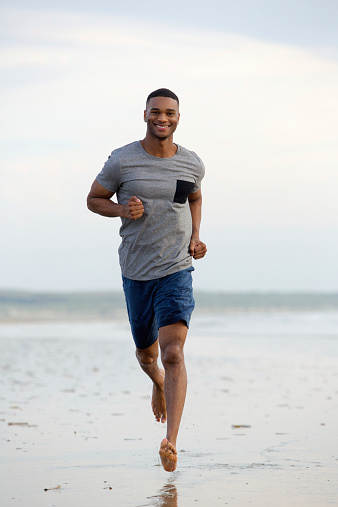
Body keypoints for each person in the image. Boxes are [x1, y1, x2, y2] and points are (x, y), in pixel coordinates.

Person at [87, 88, 207, 472]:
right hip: (136, 272)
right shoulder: (123, 160)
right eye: (156, 112)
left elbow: (194, 198)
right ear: (145, 115)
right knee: (147, 356)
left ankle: (170, 441)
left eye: (170, 113)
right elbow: (93, 198)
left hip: (176, 268)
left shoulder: (191, 163)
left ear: (178, 117)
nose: (163, 118)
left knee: (174, 352)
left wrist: (195, 237)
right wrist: (122, 208)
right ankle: (157, 382)